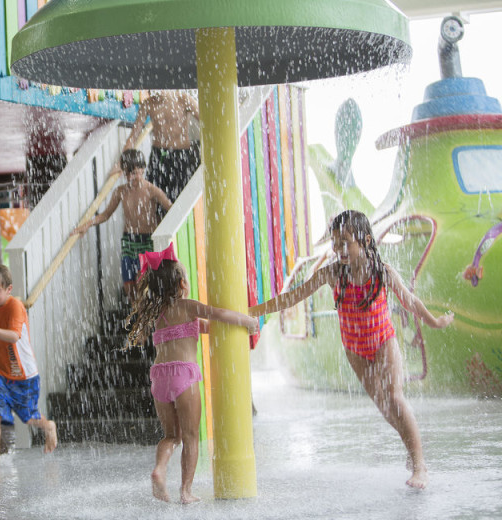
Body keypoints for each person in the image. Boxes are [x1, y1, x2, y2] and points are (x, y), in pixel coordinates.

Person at [249, 210, 454, 489]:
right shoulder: (333, 273)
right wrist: (256, 312)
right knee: (383, 406)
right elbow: (294, 296)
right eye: (335, 242)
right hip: (355, 349)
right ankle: (411, 444)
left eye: (345, 242)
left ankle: (420, 465)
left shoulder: (381, 272)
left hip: (384, 342)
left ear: (366, 240)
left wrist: (434, 321)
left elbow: (410, 302)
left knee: (394, 397)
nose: (339, 249)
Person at [127, 244, 259, 504]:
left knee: (171, 436)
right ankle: (186, 491)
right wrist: (247, 322)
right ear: (181, 284)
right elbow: (219, 314)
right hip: (183, 375)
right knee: (190, 436)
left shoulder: (157, 313)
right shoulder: (188, 306)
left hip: (159, 376)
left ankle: (160, 470)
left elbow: (201, 328)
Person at [0, 264, 58, 467]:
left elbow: (14, 336)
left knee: (28, 418)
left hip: (24, 373)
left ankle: (48, 426)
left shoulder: (15, 306)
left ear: (8, 289)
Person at [71, 149, 172, 304]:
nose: (135, 177)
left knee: (142, 279)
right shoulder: (121, 191)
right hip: (129, 240)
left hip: (147, 240)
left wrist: (164, 226)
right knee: (128, 284)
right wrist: (87, 224)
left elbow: (171, 208)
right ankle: (137, 313)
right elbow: (105, 214)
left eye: (139, 172)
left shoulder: (152, 190)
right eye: (131, 174)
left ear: (143, 169)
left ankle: (147, 312)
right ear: (124, 173)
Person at [123, 90, 201, 203]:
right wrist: (123, 162)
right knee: (153, 197)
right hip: (158, 155)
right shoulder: (148, 104)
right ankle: (159, 219)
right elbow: (133, 136)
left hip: (181, 155)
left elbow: (206, 122)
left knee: (180, 195)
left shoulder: (184, 99)